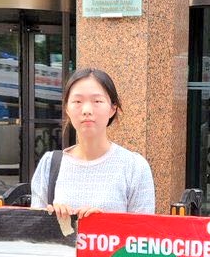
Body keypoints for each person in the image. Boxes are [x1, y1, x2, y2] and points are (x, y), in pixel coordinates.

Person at [31, 68, 155, 216]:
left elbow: (142, 234)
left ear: (112, 108)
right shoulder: (49, 165)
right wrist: (52, 219)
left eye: (97, 101)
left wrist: (101, 226)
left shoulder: (134, 167)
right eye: (77, 101)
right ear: (67, 110)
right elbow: (34, 232)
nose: (87, 110)